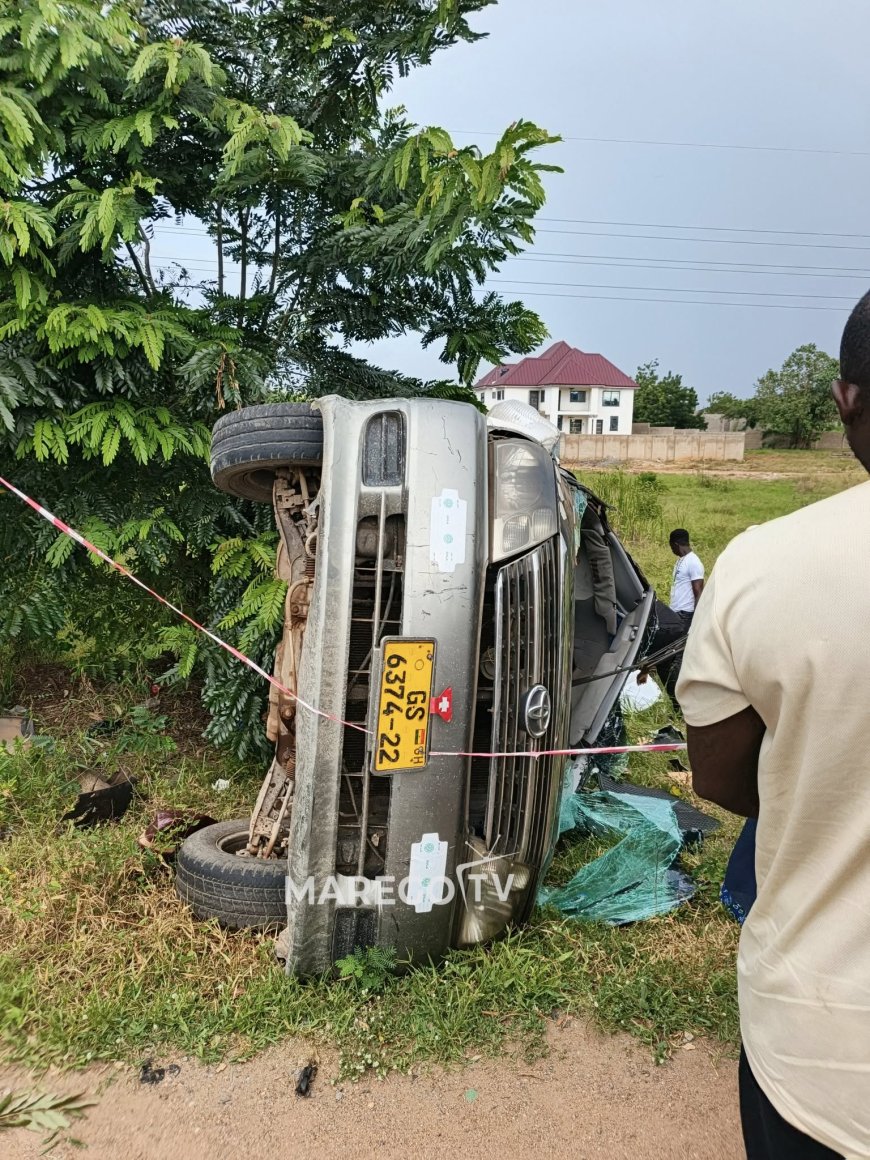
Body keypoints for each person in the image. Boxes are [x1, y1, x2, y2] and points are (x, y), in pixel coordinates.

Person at [676, 291, 870, 1160]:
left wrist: (815, 782)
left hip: (821, 1057)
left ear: (846, 401)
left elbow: (720, 781)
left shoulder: (761, 564)